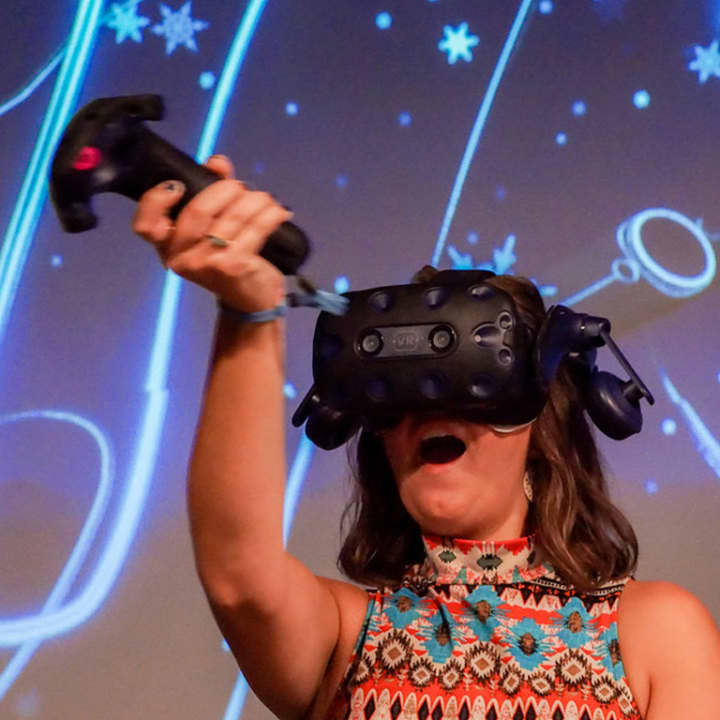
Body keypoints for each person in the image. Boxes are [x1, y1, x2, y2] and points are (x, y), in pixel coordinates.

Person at [133, 155, 720, 720]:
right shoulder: (346, 639)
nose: (432, 412)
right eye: (402, 393)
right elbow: (241, 578)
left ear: (538, 422)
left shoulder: (655, 633)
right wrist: (248, 311)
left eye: (473, 385)